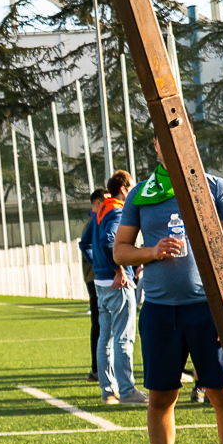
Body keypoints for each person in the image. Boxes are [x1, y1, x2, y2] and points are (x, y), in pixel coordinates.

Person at [114, 140, 223, 444]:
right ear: (156, 146)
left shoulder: (215, 187)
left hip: (208, 311)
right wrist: (152, 251)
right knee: (161, 398)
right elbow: (120, 250)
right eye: (161, 139)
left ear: (191, 139)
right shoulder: (142, 193)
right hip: (159, 312)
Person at [79, 170, 142, 407]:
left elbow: (85, 243)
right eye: (131, 187)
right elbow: (108, 241)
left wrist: (99, 265)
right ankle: (127, 391)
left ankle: (108, 390)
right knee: (123, 338)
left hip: (100, 283)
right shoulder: (117, 211)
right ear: (123, 189)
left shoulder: (101, 210)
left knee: (105, 338)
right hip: (117, 284)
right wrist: (118, 270)